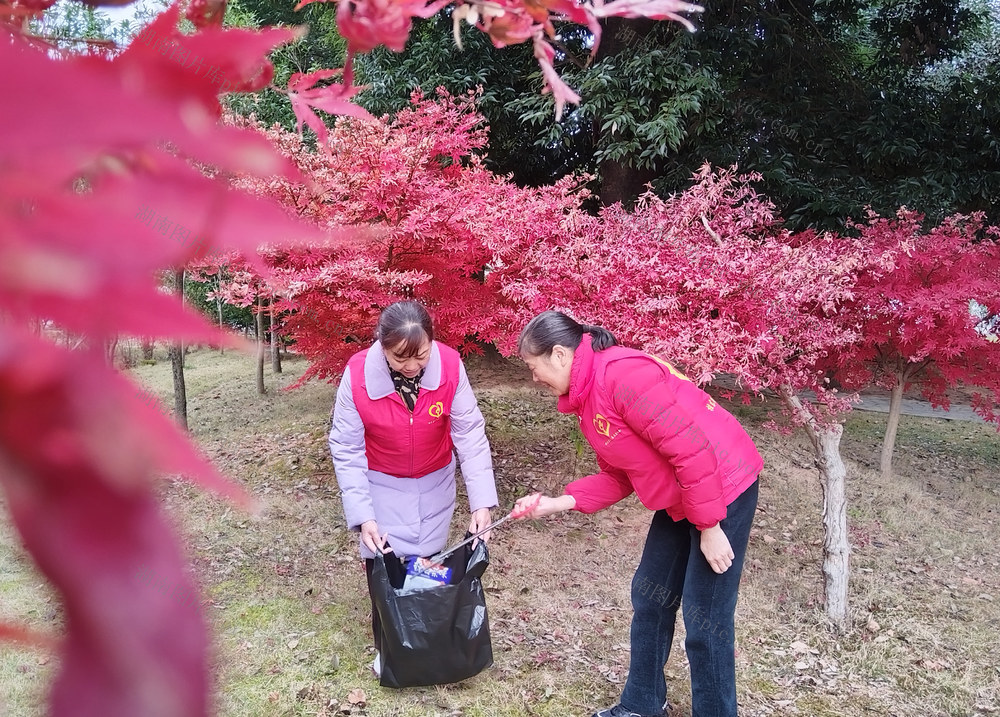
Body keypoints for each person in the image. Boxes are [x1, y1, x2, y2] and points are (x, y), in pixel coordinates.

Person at [512, 311, 763, 717]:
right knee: (650, 593)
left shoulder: (622, 376)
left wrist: (711, 526)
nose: (534, 377)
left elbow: (692, 451)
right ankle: (643, 703)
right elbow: (619, 477)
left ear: (559, 354)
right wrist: (557, 503)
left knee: (706, 620)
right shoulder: (588, 395)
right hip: (684, 494)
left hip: (723, 485)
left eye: (533, 366)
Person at [328, 301, 498, 678]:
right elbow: (347, 447)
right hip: (380, 480)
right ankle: (388, 643)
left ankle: (428, 634)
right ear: (381, 345)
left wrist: (482, 501)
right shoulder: (357, 375)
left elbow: (469, 434)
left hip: (434, 479)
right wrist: (363, 515)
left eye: (420, 355)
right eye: (399, 357)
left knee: (428, 563)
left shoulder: (451, 365)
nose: (411, 366)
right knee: (383, 564)